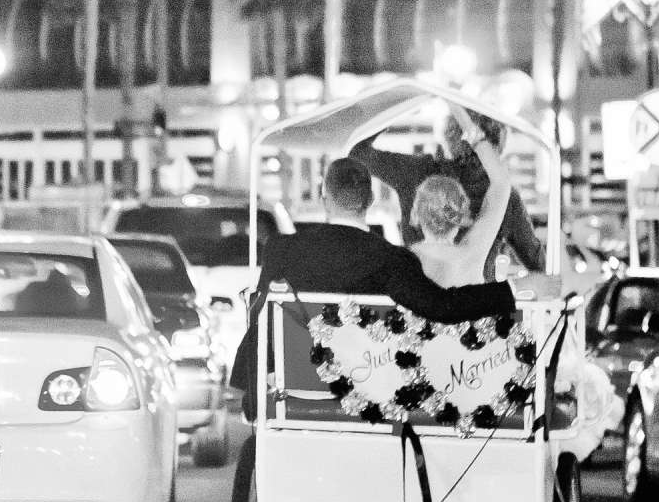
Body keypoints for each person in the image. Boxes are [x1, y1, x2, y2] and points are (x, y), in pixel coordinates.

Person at [229, 156, 545, 418]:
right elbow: (442, 306)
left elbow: (262, 318)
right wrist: (513, 289)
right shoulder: (390, 258)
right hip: (367, 388)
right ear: (369, 201)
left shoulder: (281, 249)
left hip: (294, 384)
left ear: (325, 198)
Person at [350, 110, 544, 272]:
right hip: (476, 305)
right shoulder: (504, 196)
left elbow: (358, 152)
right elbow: (537, 262)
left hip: (418, 297)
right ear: (497, 146)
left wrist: (400, 108)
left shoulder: (415, 171)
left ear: (447, 135)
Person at [409, 129, 514, 287]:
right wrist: (466, 121)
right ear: (460, 214)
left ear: (416, 213)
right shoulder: (473, 254)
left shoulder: (403, 260)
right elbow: (502, 183)